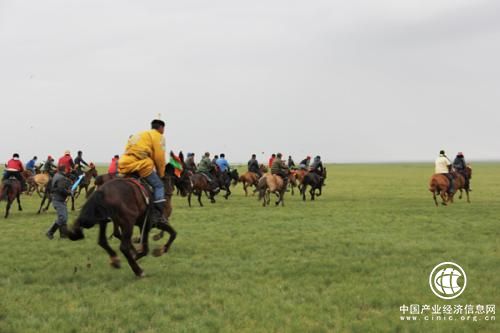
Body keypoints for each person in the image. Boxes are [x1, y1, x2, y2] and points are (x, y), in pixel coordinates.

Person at [118, 119, 169, 226]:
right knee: (159, 185)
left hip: (124, 162)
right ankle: (158, 214)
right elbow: (159, 157)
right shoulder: (159, 136)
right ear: (161, 128)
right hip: (141, 164)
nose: (163, 130)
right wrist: (161, 173)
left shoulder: (140, 134)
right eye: (163, 128)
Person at [46, 165, 72, 239]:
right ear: (65, 170)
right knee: (63, 218)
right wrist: (69, 193)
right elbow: (61, 189)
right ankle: (50, 232)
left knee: (64, 217)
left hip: (57, 199)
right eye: (67, 169)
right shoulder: (61, 178)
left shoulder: (56, 175)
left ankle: (63, 235)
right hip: (58, 200)